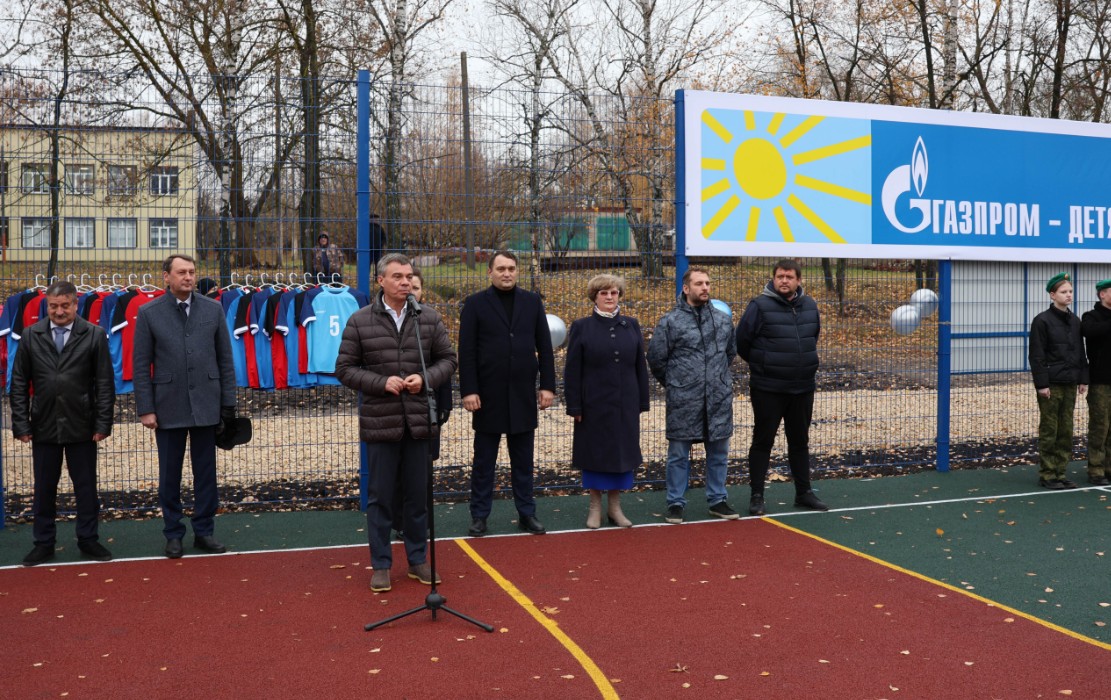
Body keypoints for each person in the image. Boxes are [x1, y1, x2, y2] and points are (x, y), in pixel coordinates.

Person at [336, 253, 457, 593]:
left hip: (419, 422)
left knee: (418, 497)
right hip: (381, 422)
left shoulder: (428, 318)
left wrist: (426, 378)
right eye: (398, 277)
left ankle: (418, 559)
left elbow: (448, 360)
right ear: (381, 282)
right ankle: (381, 564)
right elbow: (344, 368)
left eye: (409, 277)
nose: (405, 282)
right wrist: (381, 382)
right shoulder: (360, 321)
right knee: (381, 497)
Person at [134, 254, 238, 558]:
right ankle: (173, 532)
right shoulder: (149, 312)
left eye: (192, 272)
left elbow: (225, 360)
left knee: (206, 472)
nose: (188, 277)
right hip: (168, 405)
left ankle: (204, 531)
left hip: (207, 403)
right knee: (170, 473)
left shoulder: (213, 309)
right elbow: (141, 366)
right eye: (181, 272)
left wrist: (228, 405)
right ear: (166, 276)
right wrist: (146, 408)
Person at [11, 281, 115, 566]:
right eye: (53, 306)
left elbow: (104, 384)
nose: (58, 312)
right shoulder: (31, 336)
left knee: (85, 487)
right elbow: (18, 383)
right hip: (43, 424)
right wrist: (21, 423)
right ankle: (43, 542)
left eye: (64, 306)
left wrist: (102, 423)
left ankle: (88, 539)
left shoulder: (94, 335)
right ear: (47, 305)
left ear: (75, 304)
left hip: (82, 425)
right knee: (44, 487)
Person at [458, 250, 556, 536]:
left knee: (523, 461)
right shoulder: (475, 304)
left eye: (511, 268)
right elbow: (466, 352)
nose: (507, 273)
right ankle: (479, 516)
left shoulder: (532, 302)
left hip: (523, 395)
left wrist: (547, 385)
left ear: (517, 271)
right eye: (501, 268)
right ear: (490, 272)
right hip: (487, 397)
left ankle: (527, 513)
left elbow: (545, 347)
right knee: (484, 462)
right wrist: (469, 390)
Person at [647, 267, 740, 524]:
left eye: (708, 283)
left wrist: (716, 379)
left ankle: (717, 500)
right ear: (686, 288)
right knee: (678, 454)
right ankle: (675, 503)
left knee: (719, 452)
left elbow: (729, 353)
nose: (705, 288)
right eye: (699, 283)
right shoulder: (670, 321)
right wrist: (678, 383)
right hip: (683, 400)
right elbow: (656, 359)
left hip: (718, 399)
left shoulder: (722, 320)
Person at [736, 259, 827, 515]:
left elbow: (813, 335)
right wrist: (763, 363)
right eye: (779, 276)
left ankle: (804, 493)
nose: (784, 281)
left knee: (799, 442)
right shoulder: (759, 306)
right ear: (773, 279)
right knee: (762, 442)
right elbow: (741, 341)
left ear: (799, 280)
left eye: (789, 277)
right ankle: (756, 496)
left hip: (802, 387)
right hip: (768, 388)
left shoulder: (810, 305)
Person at [564, 274, 650, 528]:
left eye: (614, 293)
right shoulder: (581, 326)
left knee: (622, 454)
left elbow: (639, 367)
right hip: (593, 403)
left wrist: (641, 402)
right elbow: (572, 370)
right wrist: (575, 405)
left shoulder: (631, 325)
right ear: (595, 297)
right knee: (594, 454)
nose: (610, 297)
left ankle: (614, 507)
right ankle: (594, 507)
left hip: (625, 402)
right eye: (604, 293)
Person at [391, 269, 452, 540]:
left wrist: (444, 405)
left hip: (425, 410)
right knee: (396, 472)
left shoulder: (430, 321)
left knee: (422, 471)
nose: (411, 290)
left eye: (416, 287)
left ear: (422, 291)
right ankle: (399, 521)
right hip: (394, 412)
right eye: (407, 285)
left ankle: (421, 522)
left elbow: (445, 364)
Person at [1030, 272, 1088, 489]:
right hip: (1052, 384)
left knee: (1066, 429)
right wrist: (1042, 384)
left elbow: (1080, 352)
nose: (1069, 295)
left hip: (1070, 382)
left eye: (1071, 291)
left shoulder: (1075, 320)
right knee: (1049, 429)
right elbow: (1037, 356)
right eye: (1064, 292)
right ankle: (1047, 474)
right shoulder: (1042, 321)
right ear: (1052, 295)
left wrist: (1083, 378)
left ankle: (1061, 472)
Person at [1082, 278, 1111, 486]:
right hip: (1100, 381)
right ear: (1102, 294)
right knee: (1100, 426)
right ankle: (1096, 469)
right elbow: (1090, 332)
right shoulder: (1091, 317)